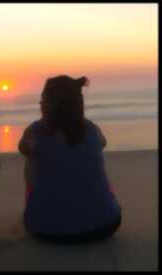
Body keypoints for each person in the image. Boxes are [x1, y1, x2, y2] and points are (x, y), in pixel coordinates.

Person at [19, 75, 121, 244]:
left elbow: (23, 149)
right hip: (106, 225)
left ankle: (45, 209)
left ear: (49, 104)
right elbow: (102, 143)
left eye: (42, 99)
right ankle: (95, 204)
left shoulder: (35, 131)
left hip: (46, 230)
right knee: (87, 160)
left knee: (31, 160)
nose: (40, 103)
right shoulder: (92, 129)